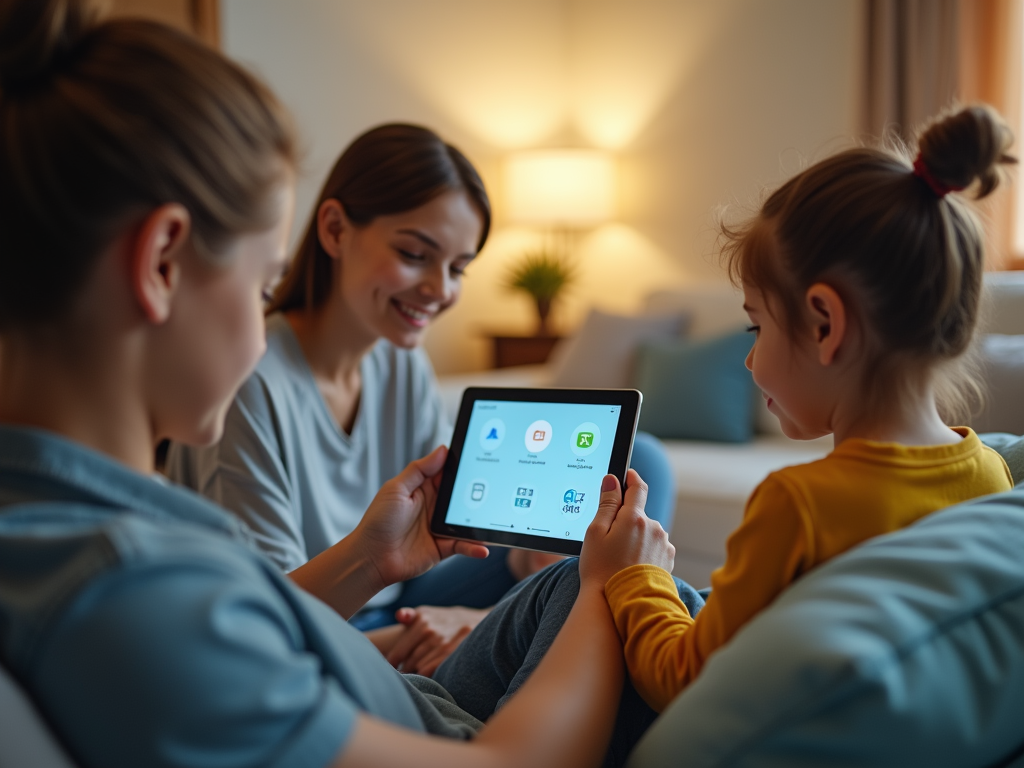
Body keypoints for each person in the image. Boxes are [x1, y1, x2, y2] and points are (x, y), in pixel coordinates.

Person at [0, 2, 684, 766]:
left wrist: (370, 559)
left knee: (629, 517)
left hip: (408, 686)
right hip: (444, 721)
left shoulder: (73, 523)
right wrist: (602, 591)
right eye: (263, 289)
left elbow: (261, 621)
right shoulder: (135, 588)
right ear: (163, 264)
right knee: (656, 607)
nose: (265, 326)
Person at [164, 122, 677, 655]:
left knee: (641, 465)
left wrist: (524, 558)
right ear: (336, 230)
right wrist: (444, 632)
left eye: (458, 268)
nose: (440, 290)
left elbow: (441, 525)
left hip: (403, 589)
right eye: (415, 254)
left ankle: (568, 647)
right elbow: (265, 629)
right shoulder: (250, 384)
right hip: (317, 623)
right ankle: (572, 660)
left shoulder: (399, 359)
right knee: (563, 607)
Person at [583, 105, 1018, 713]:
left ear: (824, 324)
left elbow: (683, 685)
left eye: (755, 327)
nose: (747, 359)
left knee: (558, 598)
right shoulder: (991, 473)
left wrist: (628, 576)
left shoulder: (798, 506)